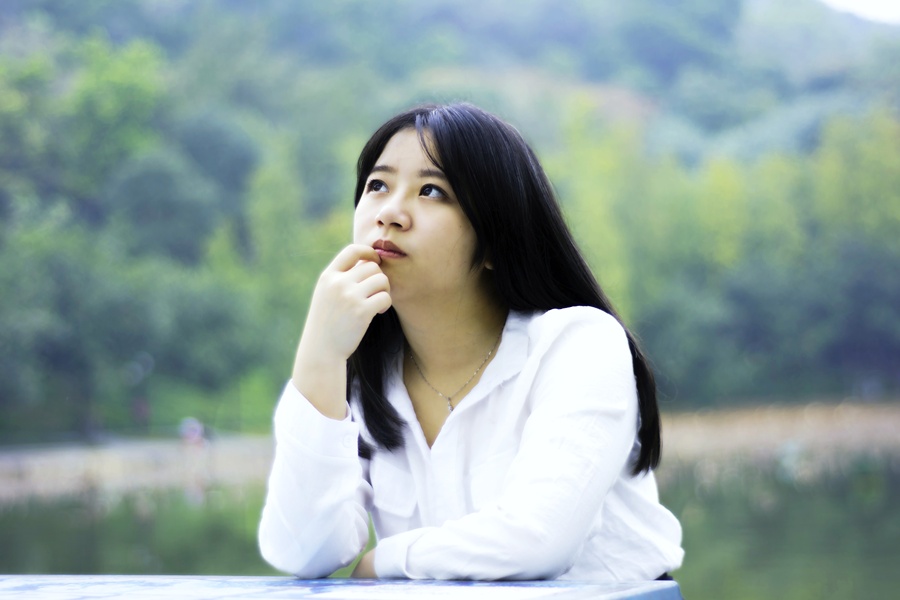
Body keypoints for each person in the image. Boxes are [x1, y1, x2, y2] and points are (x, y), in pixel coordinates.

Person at [257, 102, 684, 581]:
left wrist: (386, 562)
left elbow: (537, 540)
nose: (390, 213)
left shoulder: (578, 346)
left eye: (432, 191)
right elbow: (305, 552)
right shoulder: (364, 382)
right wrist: (320, 353)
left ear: (496, 241)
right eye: (378, 185)